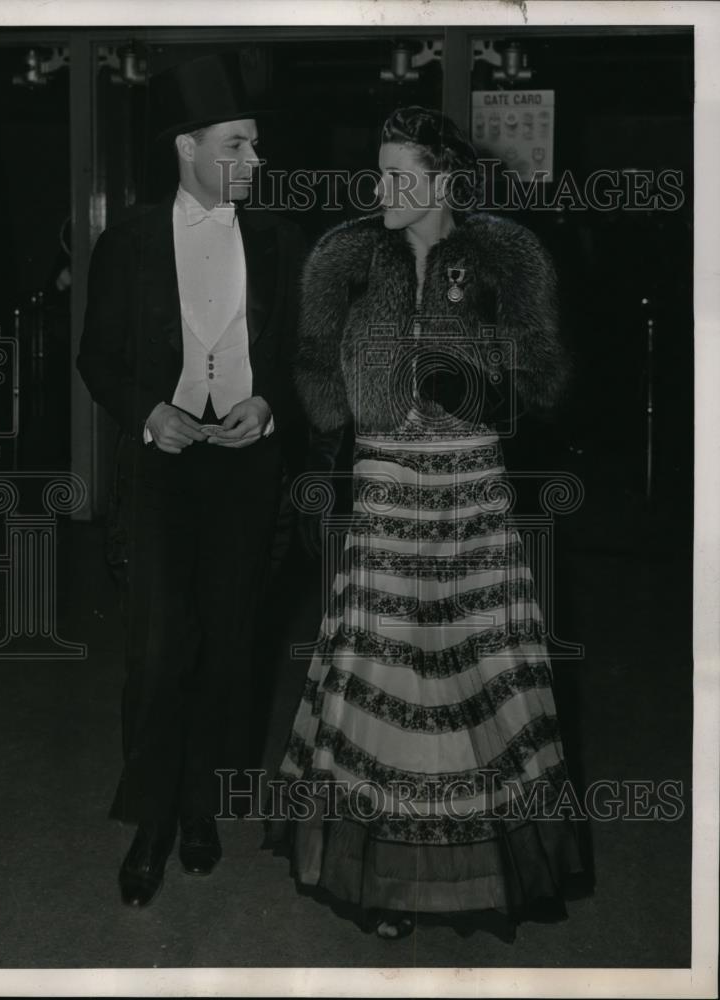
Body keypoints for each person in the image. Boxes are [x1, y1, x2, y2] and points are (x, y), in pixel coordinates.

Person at [268, 106, 588, 940]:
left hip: (471, 487)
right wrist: (326, 467)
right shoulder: (343, 256)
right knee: (391, 675)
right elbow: (315, 375)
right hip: (381, 486)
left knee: (463, 674)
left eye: (402, 176)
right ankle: (392, 881)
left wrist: (475, 388)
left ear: (446, 181)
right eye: (379, 174)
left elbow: (545, 380)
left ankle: (470, 869)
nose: (383, 191)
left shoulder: (504, 255)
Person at [77, 53, 303, 907]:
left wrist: (271, 405)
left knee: (228, 641)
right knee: (161, 644)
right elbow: (96, 355)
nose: (256, 162)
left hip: (246, 469)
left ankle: (202, 804)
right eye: (238, 145)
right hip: (162, 469)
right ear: (187, 148)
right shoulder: (129, 240)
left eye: (255, 145)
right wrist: (147, 411)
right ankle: (151, 821)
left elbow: (293, 357)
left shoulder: (281, 240)